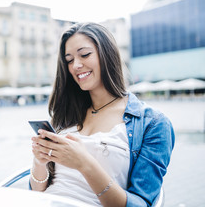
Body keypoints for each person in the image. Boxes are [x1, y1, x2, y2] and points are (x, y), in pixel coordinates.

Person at [30, 22, 175, 207]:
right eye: (69, 60)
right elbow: (37, 192)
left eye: (84, 55)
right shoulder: (67, 114)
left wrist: (84, 163)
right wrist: (39, 161)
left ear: (107, 54)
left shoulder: (153, 124)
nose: (76, 65)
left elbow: (140, 204)